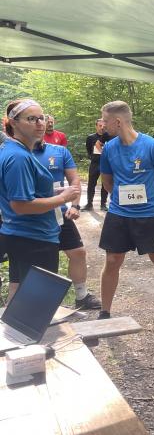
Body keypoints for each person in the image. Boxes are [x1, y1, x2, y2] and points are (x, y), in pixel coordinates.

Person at [97, 101, 154, 321]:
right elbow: (107, 182)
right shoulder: (109, 148)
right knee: (112, 260)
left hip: (150, 214)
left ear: (118, 121)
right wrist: (122, 201)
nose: (103, 125)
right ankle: (105, 311)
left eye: (105, 120)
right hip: (119, 214)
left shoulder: (152, 146)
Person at [0, 99, 80, 300]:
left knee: (18, 292)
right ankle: (28, 332)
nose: (39, 123)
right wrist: (62, 197)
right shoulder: (18, 157)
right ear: (14, 123)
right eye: (31, 119)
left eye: (41, 118)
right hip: (33, 238)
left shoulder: (15, 151)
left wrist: (50, 195)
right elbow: (20, 205)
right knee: (37, 302)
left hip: (21, 235)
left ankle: (11, 331)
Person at [32, 139, 102, 310]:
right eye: (34, 121)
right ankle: (41, 304)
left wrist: (75, 206)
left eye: (41, 120)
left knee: (78, 252)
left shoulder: (60, 151)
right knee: (43, 260)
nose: (39, 125)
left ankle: (82, 295)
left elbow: (74, 180)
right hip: (31, 214)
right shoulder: (17, 152)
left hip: (58, 212)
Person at [84, 118, 111, 211]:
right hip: (95, 163)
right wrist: (92, 157)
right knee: (91, 184)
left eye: (103, 126)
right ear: (96, 126)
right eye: (100, 126)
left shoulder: (109, 136)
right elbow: (88, 149)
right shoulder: (91, 137)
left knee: (105, 184)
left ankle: (103, 204)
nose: (102, 128)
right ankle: (89, 204)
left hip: (106, 164)